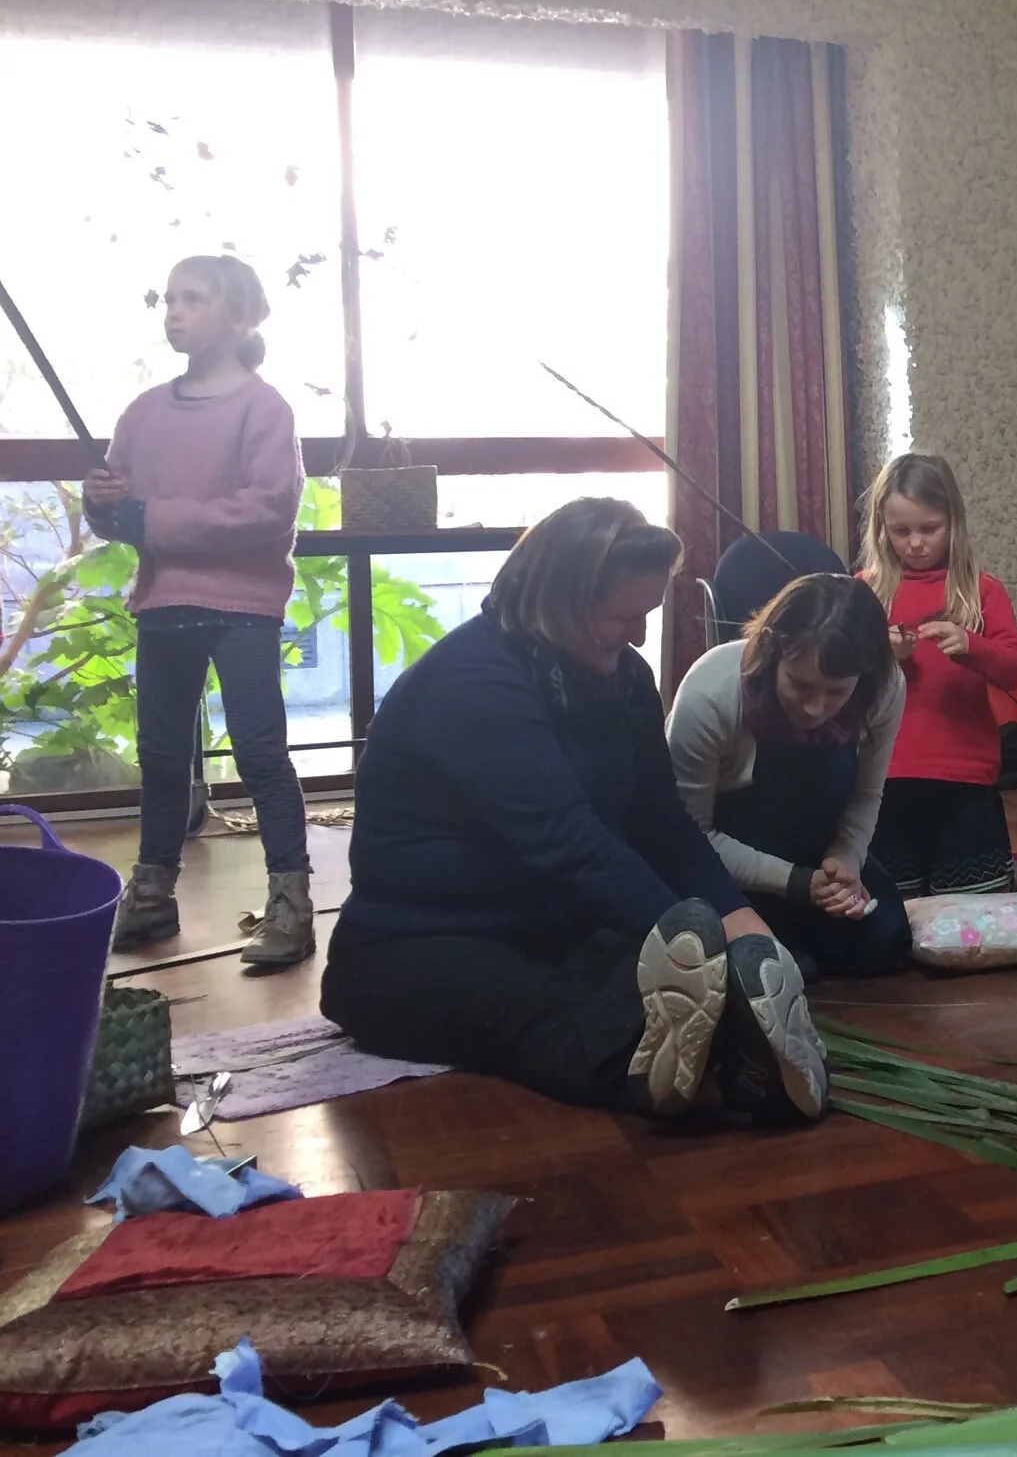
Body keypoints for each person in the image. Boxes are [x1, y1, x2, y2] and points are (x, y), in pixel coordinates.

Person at [320, 498, 825, 1122]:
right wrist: (695, 943)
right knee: (542, 1013)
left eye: (649, 615)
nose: (640, 636)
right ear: (562, 601)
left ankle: (725, 1052)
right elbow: (567, 845)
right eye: (625, 616)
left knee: (747, 967)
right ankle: (695, 1073)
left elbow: (659, 822)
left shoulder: (623, 677)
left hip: (552, 927)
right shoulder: (474, 684)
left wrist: (737, 915)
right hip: (418, 944)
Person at [83, 255, 312, 969]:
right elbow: (124, 519)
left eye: (195, 299)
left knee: (261, 752)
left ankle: (292, 900)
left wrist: (149, 514)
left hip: (242, 608)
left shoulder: (265, 409)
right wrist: (103, 502)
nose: (174, 311)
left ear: (239, 317)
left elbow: (266, 511)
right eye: (170, 299)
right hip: (162, 605)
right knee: (159, 758)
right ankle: (152, 895)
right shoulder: (143, 412)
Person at [667, 571, 910, 978]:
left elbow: (866, 794)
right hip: (723, 864)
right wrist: (796, 883)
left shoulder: (884, 688)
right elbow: (688, 840)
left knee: (884, 941)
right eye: (800, 685)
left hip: (812, 857)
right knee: (779, 968)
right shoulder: (711, 692)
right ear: (772, 651)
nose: (815, 708)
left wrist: (845, 862)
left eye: (836, 693)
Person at [858, 454, 1017, 897]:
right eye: (900, 531)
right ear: (882, 528)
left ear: (954, 521)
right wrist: (880, 655)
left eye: (929, 529)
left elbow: (1015, 671)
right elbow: (837, 683)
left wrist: (972, 646)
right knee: (894, 909)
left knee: (976, 914)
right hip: (885, 779)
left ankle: (1008, 871)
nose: (914, 543)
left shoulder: (981, 589)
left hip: (966, 779)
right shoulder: (864, 591)